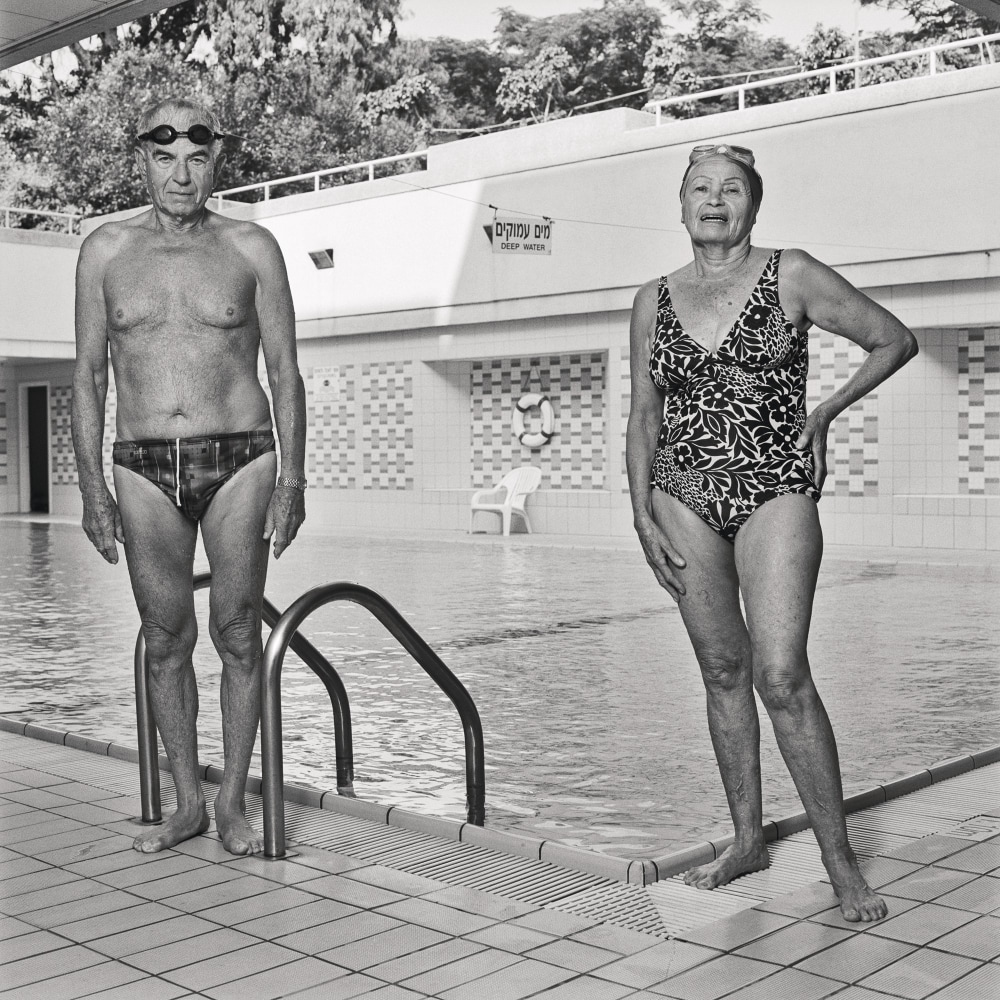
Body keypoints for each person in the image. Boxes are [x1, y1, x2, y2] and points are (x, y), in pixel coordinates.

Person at [626, 143, 917, 922]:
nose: (714, 201)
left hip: (773, 487)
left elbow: (894, 338)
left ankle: (840, 864)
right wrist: (640, 513)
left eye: (731, 189)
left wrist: (824, 410)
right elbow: (644, 416)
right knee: (723, 670)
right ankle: (747, 839)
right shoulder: (653, 298)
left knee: (781, 675)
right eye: (699, 189)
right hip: (683, 491)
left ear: (754, 204)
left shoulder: (791, 272)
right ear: (679, 204)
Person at [72, 97, 307, 856]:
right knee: (165, 636)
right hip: (140, 465)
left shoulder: (251, 246)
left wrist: (293, 481)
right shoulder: (104, 251)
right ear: (139, 156)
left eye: (197, 157)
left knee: (238, 632)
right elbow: (86, 379)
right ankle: (185, 805)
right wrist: (90, 490)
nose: (182, 172)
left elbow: (285, 372)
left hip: (241, 454)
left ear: (217, 160)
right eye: (164, 155)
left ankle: (233, 802)